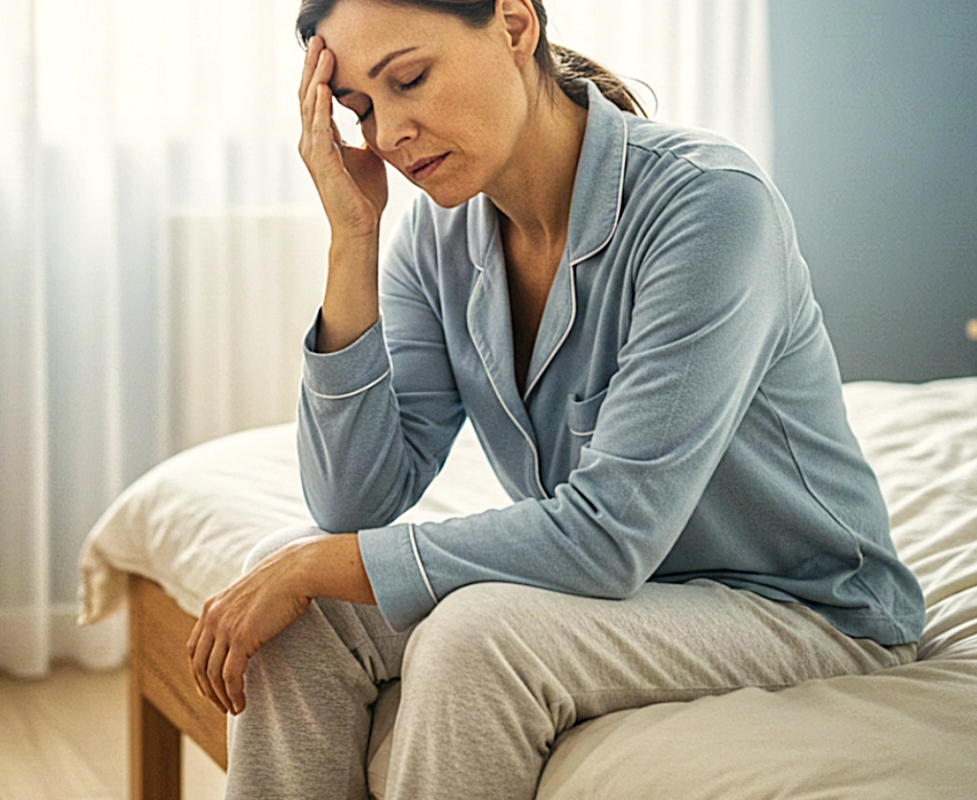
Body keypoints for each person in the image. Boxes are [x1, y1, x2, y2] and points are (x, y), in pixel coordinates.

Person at [186, 0, 926, 797]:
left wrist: (320, 563)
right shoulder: (438, 240)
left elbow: (610, 534)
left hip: (803, 605)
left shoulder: (709, 205)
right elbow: (351, 501)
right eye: (359, 108)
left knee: (476, 639)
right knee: (299, 619)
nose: (389, 133)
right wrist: (353, 237)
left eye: (409, 78)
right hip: (620, 595)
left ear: (512, 25)